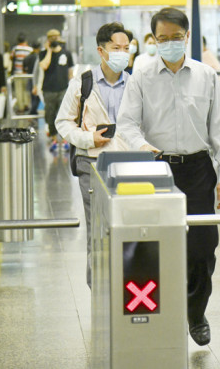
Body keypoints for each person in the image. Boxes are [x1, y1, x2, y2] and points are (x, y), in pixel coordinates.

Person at [116, 7, 220, 347]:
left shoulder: (206, 76)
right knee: (154, 247)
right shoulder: (141, 75)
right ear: (153, 40)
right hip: (156, 170)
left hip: (198, 170)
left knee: (202, 249)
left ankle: (196, 314)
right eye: (161, 38)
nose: (168, 43)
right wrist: (143, 147)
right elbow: (126, 122)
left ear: (187, 37)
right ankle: (158, 311)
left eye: (175, 37)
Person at [55, 22, 132, 287]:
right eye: (116, 48)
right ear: (101, 50)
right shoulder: (82, 83)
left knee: (128, 225)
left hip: (128, 163)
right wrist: (88, 139)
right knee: (97, 229)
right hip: (93, 162)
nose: (122, 53)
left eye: (126, 48)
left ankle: (127, 286)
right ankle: (99, 290)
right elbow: (63, 122)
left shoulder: (135, 84)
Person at [40, 28, 74, 152]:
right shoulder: (43, 53)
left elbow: (70, 70)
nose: (54, 39)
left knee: (63, 114)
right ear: (48, 39)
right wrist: (49, 50)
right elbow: (44, 66)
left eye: (56, 37)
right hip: (48, 89)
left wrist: (72, 85)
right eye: (51, 37)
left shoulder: (66, 53)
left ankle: (64, 139)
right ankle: (54, 137)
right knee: (50, 114)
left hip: (63, 88)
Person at [11, 33, 33, 113]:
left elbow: (11, 57)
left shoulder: (15, 49)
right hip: (27, 73)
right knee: (26, 89)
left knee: (18, 90)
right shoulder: (30, 49)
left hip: (17, 73)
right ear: (25, 40)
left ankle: (21, 107)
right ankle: (26, 104)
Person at [23, 41, 41, 115]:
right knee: (38, 96)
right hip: (38, 78)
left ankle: (33, 110)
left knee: (32, 95)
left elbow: (24, 66)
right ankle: (33, 110)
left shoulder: (28, 57)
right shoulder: (39, 57)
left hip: (29, 78)